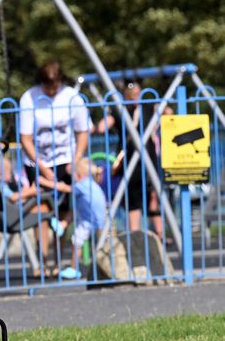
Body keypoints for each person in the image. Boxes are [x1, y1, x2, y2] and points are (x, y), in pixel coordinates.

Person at [18, 61, 92, 276]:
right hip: (37, 160)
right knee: (39, 211)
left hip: (65, 160)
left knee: (62, 213)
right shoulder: (29, 98)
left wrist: (76, 159)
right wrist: (42, 167)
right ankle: (41, 262)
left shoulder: (72, 98)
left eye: (55, 86)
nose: (51, 91)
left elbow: (82, 131)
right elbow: (25, 138)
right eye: (47, 86)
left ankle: (60, 261)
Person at [94, 80, 163, 237]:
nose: (136, 98)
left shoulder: (148, 106)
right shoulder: (120, 111)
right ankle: (135, 234)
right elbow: (101, 127)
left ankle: (160, 234)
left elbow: (167, 113)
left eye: (138, 94)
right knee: (133, 198)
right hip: (130, 160)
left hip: (148, 159)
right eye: (133, 95)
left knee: (153, 195)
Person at [63, 157, 108, 279]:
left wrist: (45, 182)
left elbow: (67, 189)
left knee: (77, 240)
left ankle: (74, 268)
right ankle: (103, 267)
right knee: (101, 244)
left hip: (91, 219)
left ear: (78, 175)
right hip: (99, 218)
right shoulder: (90, 183)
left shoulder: (82, 184)